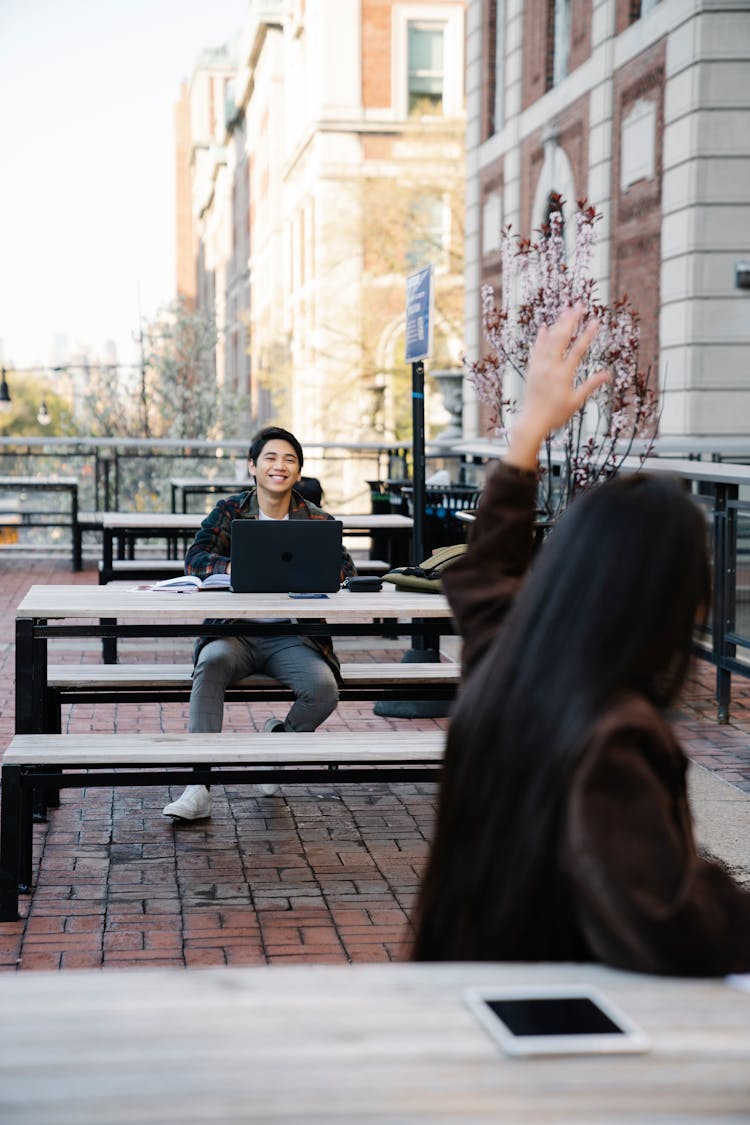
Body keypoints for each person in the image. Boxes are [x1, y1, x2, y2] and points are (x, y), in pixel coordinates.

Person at [412, 304, 750, 975]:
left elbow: (481, 572)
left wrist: (527, 438)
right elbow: (665, 922)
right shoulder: (612, 734)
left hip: (466, 979)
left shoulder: (509, 658)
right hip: (559, 1018)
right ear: (667, 605)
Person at [163, 425, 356, 821]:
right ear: (253, 466)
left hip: (293, 635)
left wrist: (318, 571)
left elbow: (345, 568)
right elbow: (195, 558)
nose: (279, 466)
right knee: (210, 664)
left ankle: (276, 750)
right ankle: (198, 787)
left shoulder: (316, 517)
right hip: (235, 631)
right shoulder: (231, 510)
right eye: (270, 457)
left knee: (324, 690)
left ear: (298, 472)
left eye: (289, 460)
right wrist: (236, 566)